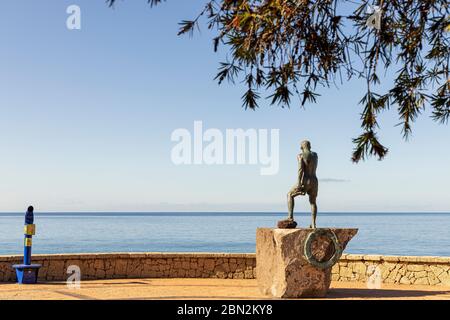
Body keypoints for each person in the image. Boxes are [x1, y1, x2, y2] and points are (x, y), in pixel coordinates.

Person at [287, 140, 318, 228]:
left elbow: (300, 170)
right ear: (310, 146)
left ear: (301, 147)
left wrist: (299, 183)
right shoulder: (315, 155)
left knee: (289, 194)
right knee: (313, 202)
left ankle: (290, 217)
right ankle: (313, 224)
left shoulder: (300, 155)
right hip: (315, 180)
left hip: (306, 179)